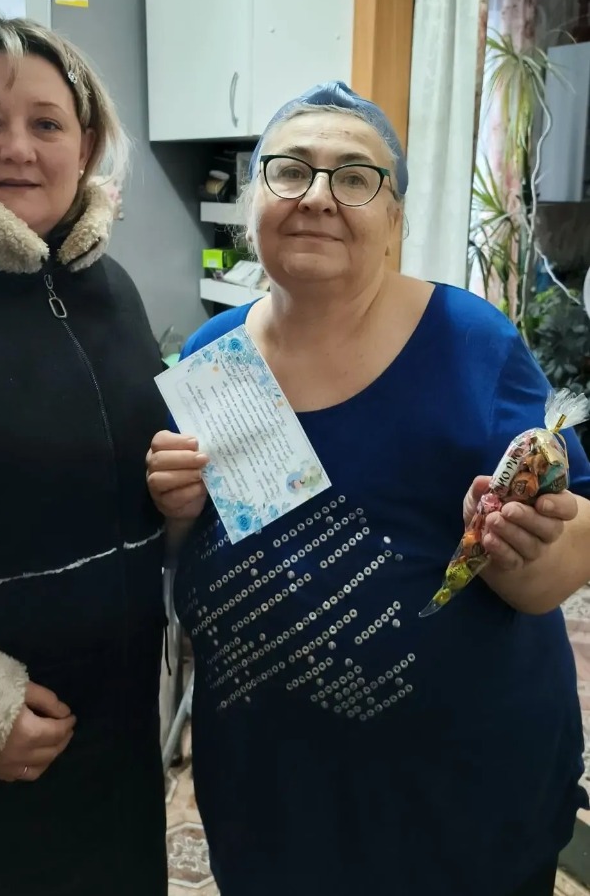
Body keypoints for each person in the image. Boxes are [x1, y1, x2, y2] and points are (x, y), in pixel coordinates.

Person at [147, 81, 590, 896]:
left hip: (459, 801)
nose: (317, 196)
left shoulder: (468, 343)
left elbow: (564, 549)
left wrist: (527, 551)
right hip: (270, 794)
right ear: (253, 203)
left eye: (354, 177)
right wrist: (176, 517)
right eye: (289, 171)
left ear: (394, 219)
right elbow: (189, 560)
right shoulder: (214, 357)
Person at [0, 10, 168, 896]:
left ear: (83, 147)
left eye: (46, 123)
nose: (18, 148)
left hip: (114, 744)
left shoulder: (108, 287)